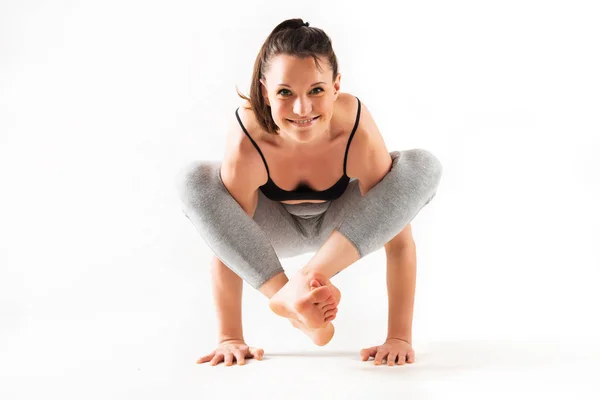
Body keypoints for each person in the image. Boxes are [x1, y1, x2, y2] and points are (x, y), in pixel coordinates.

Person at [176, 18, 443, 367]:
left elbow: (398, 238)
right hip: (271, 233)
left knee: (422, 165)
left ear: (336, 86)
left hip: (345, 228)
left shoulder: (355, 127)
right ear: (265, 90)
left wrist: (399, 337)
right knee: (193, 179)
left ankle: (298, 287)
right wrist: (230, 338)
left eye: (316, 90)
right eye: (285, 93)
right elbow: (227, 237)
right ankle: (291, 301)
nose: (303, 109)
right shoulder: (248, 135)